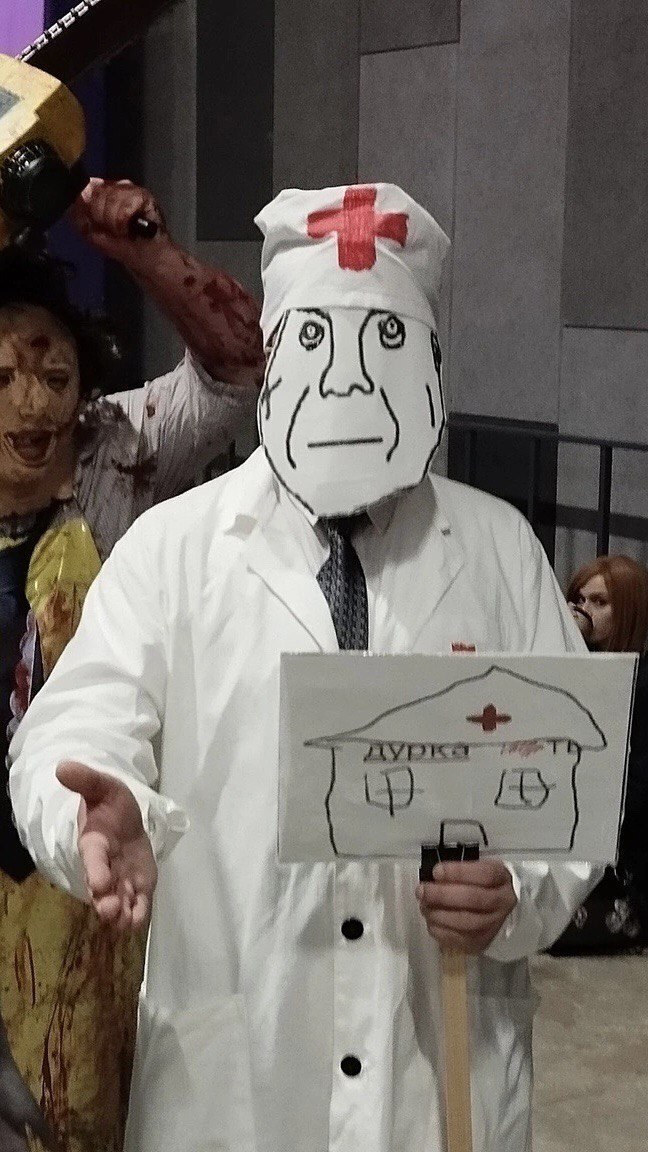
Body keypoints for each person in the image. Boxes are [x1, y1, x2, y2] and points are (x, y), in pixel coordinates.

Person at [9, 183, 599, 1152]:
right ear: (275, 361)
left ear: (432, 366)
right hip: (236, 1076)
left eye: (386, 345)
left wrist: (521, 889)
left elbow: (567, 778)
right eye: (315, 345)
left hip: (435, 1071)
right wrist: (91, 813)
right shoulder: (175, 552)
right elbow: (73, 726)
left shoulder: (500, 554)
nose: (351, 385)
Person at [0, 177, 263, 1150]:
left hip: (79, 855)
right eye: (1, 378)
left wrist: (145, 247)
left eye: (54, 375)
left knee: (73, 1105)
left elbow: (240, 367)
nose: (32, 404)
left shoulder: (117, 452)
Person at [552, 554, 648, 953]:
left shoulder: (639, 683)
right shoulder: (567, 672)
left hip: (618, 851)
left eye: (599, 602)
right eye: (578, 599)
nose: (583, 609)